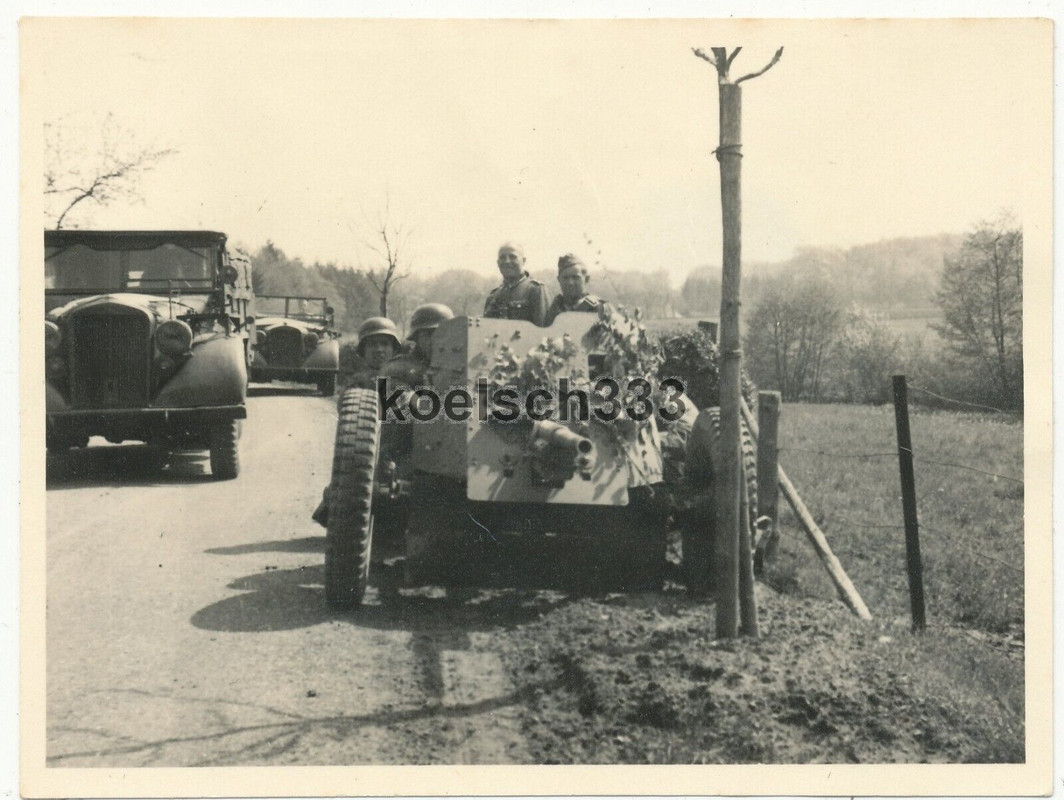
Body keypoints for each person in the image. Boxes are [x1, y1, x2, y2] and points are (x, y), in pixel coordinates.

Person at [312, 304, 454, 529]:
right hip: (401, 451)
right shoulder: (400, 369)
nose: (434, 341)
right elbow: (397, 410)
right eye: (427, 335)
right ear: (417, 338)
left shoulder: (459, 369)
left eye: (440, 334)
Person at [483, 242, 550, 326]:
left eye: (512, 257)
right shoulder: (493, 297)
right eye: (502, 258)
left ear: (523, 261)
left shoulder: (536, 290)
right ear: (498, 262)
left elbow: (544, 330)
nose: (507, 261)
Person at [343, 316, 402, 390]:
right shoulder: (355, 384)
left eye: (385, 344)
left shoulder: (406, 381)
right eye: (372, 344)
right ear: (363, 350)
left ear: (394, 349)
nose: (379, 349)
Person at [544, 253, 605, 324]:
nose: (570, 283)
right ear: (559, 280)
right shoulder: (553, 310)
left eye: (575, 277)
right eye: (565, 278)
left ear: (587, 279)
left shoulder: (600, 308)